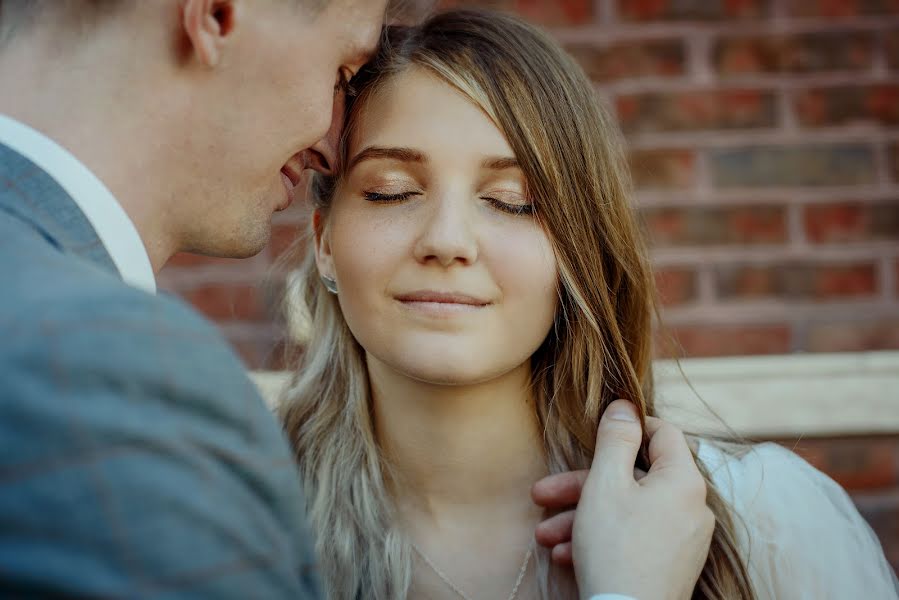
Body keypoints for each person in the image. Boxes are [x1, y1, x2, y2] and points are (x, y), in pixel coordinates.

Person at [0, 1, 717, 598]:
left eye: (513, 201)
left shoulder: (752, 523)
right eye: (389, 192)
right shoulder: (117, 380)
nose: (325, 139)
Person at [278, 9, 899, 600]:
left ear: (579, 247)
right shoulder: (235, 531)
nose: (446, 240)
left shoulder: (768, 526)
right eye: (392, 192)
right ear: (324, 240)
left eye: (515, 200)